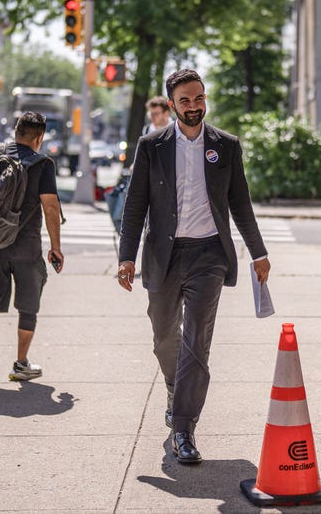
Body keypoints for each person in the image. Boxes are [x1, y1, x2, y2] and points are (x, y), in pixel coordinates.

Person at [117, 69, 271, 464]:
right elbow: (136, 205)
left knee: (197, 341)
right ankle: (174, 386)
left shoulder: (226, 146)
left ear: (205, 99)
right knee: (164, 336)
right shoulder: (152, 146)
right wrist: (126, 256)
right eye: (184, 101)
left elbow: (241, 204)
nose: (193, 107)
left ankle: (183, 427)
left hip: (209, 256)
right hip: (163, 255)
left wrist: (258, 252)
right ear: (172, 105)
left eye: (198, 99)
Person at [0, 111, 64, 385]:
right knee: (28, 306)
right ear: (39, 137)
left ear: (16, 130)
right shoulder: (42, 164)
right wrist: (56, 247)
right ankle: (21, 364)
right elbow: (51, 207)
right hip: (26, 246)